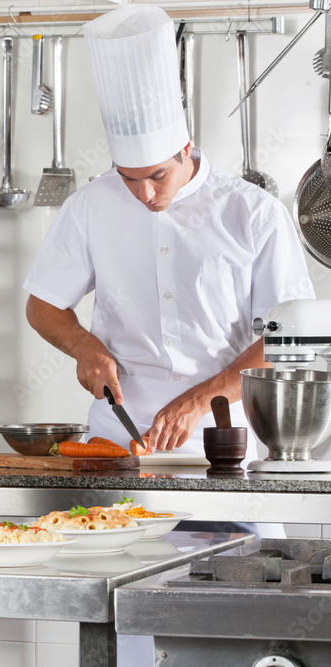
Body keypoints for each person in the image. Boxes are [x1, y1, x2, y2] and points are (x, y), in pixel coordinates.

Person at [23, 4, 315, 458]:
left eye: (157, 176)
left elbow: (288, 339)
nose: (142, 193)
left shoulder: (253, 211)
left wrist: (201, 398)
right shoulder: (90, 206)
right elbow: (43, 305)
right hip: (116, 438)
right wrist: (83, 345)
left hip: (221, 436)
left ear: (184, 149)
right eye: (127, 177)